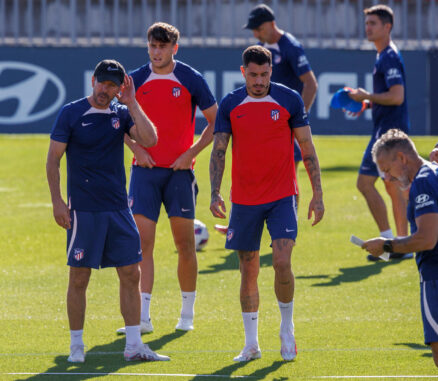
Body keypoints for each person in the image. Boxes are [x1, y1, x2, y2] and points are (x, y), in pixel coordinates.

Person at [46, 59, 169, 363]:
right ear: (93, 81)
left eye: (113, 85)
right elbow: (53, 160)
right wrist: (58, 202)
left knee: (131, 273)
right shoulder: (71, 113)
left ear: (119, 88)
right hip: (84, 210)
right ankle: (76, 346)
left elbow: (151, 140)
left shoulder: (122, 114)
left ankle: (134, 345)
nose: (106, 89)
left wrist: (133, 102)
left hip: (117, 208)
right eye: (102, 82)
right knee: (79, 278)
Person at [209, 46, 324, 362]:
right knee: (248, 269)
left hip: (282, 196)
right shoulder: (231, 104)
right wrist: (214, 192)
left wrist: (318, 193)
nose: (259, 81)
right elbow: (219, 151)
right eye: (253, 74)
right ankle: (251, 344)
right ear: (243, 71)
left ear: (271, 71)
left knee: (283, 261)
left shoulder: (289, 99)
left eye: (265, 74)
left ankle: (287, 329)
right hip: (244, 200)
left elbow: (307, 147)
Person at [117, 22, 218, 334]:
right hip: (144, 173)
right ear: (147, 46)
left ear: (175, 48)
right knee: (142, 243)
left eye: (163, 47)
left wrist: (192, 153)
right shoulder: (134, 80)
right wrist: (136, 148)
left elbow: (216, 121)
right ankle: (143, 317)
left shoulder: (190, 78)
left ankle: (186, 315)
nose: (157, 52)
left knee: (185, 244)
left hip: (179, 174)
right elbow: (117, 120)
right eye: (152, 46)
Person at [214, 4, 319, 236]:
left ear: (271, 24)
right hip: (263, 120)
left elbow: (310, 83)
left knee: (288, 174)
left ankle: (286, 227)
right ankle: (240, 222)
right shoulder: (262, 48)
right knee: (249, 167)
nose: (254, 34)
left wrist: (296, 122)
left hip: (284, 123)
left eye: (258, 28)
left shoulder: (290, 47)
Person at [361, 129, 438, 368]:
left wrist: (386, 245)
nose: (388, 178)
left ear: (402, 159)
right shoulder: (431, 174)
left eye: (387, 170)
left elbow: (427, 239)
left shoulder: (424, 181)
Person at [346, 4, 411, 262]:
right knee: (393, 186)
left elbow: (397, 97)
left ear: (388, 27)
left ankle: (388, 244)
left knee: (364, 183)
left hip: (388, 134)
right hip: (389, 129)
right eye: (367, 23)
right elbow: (390, 97)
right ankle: (400, 244)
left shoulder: (389, 57)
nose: (368, 28)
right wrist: (367, 103)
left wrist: (367, 95)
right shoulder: (384, 55)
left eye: (373, 23)